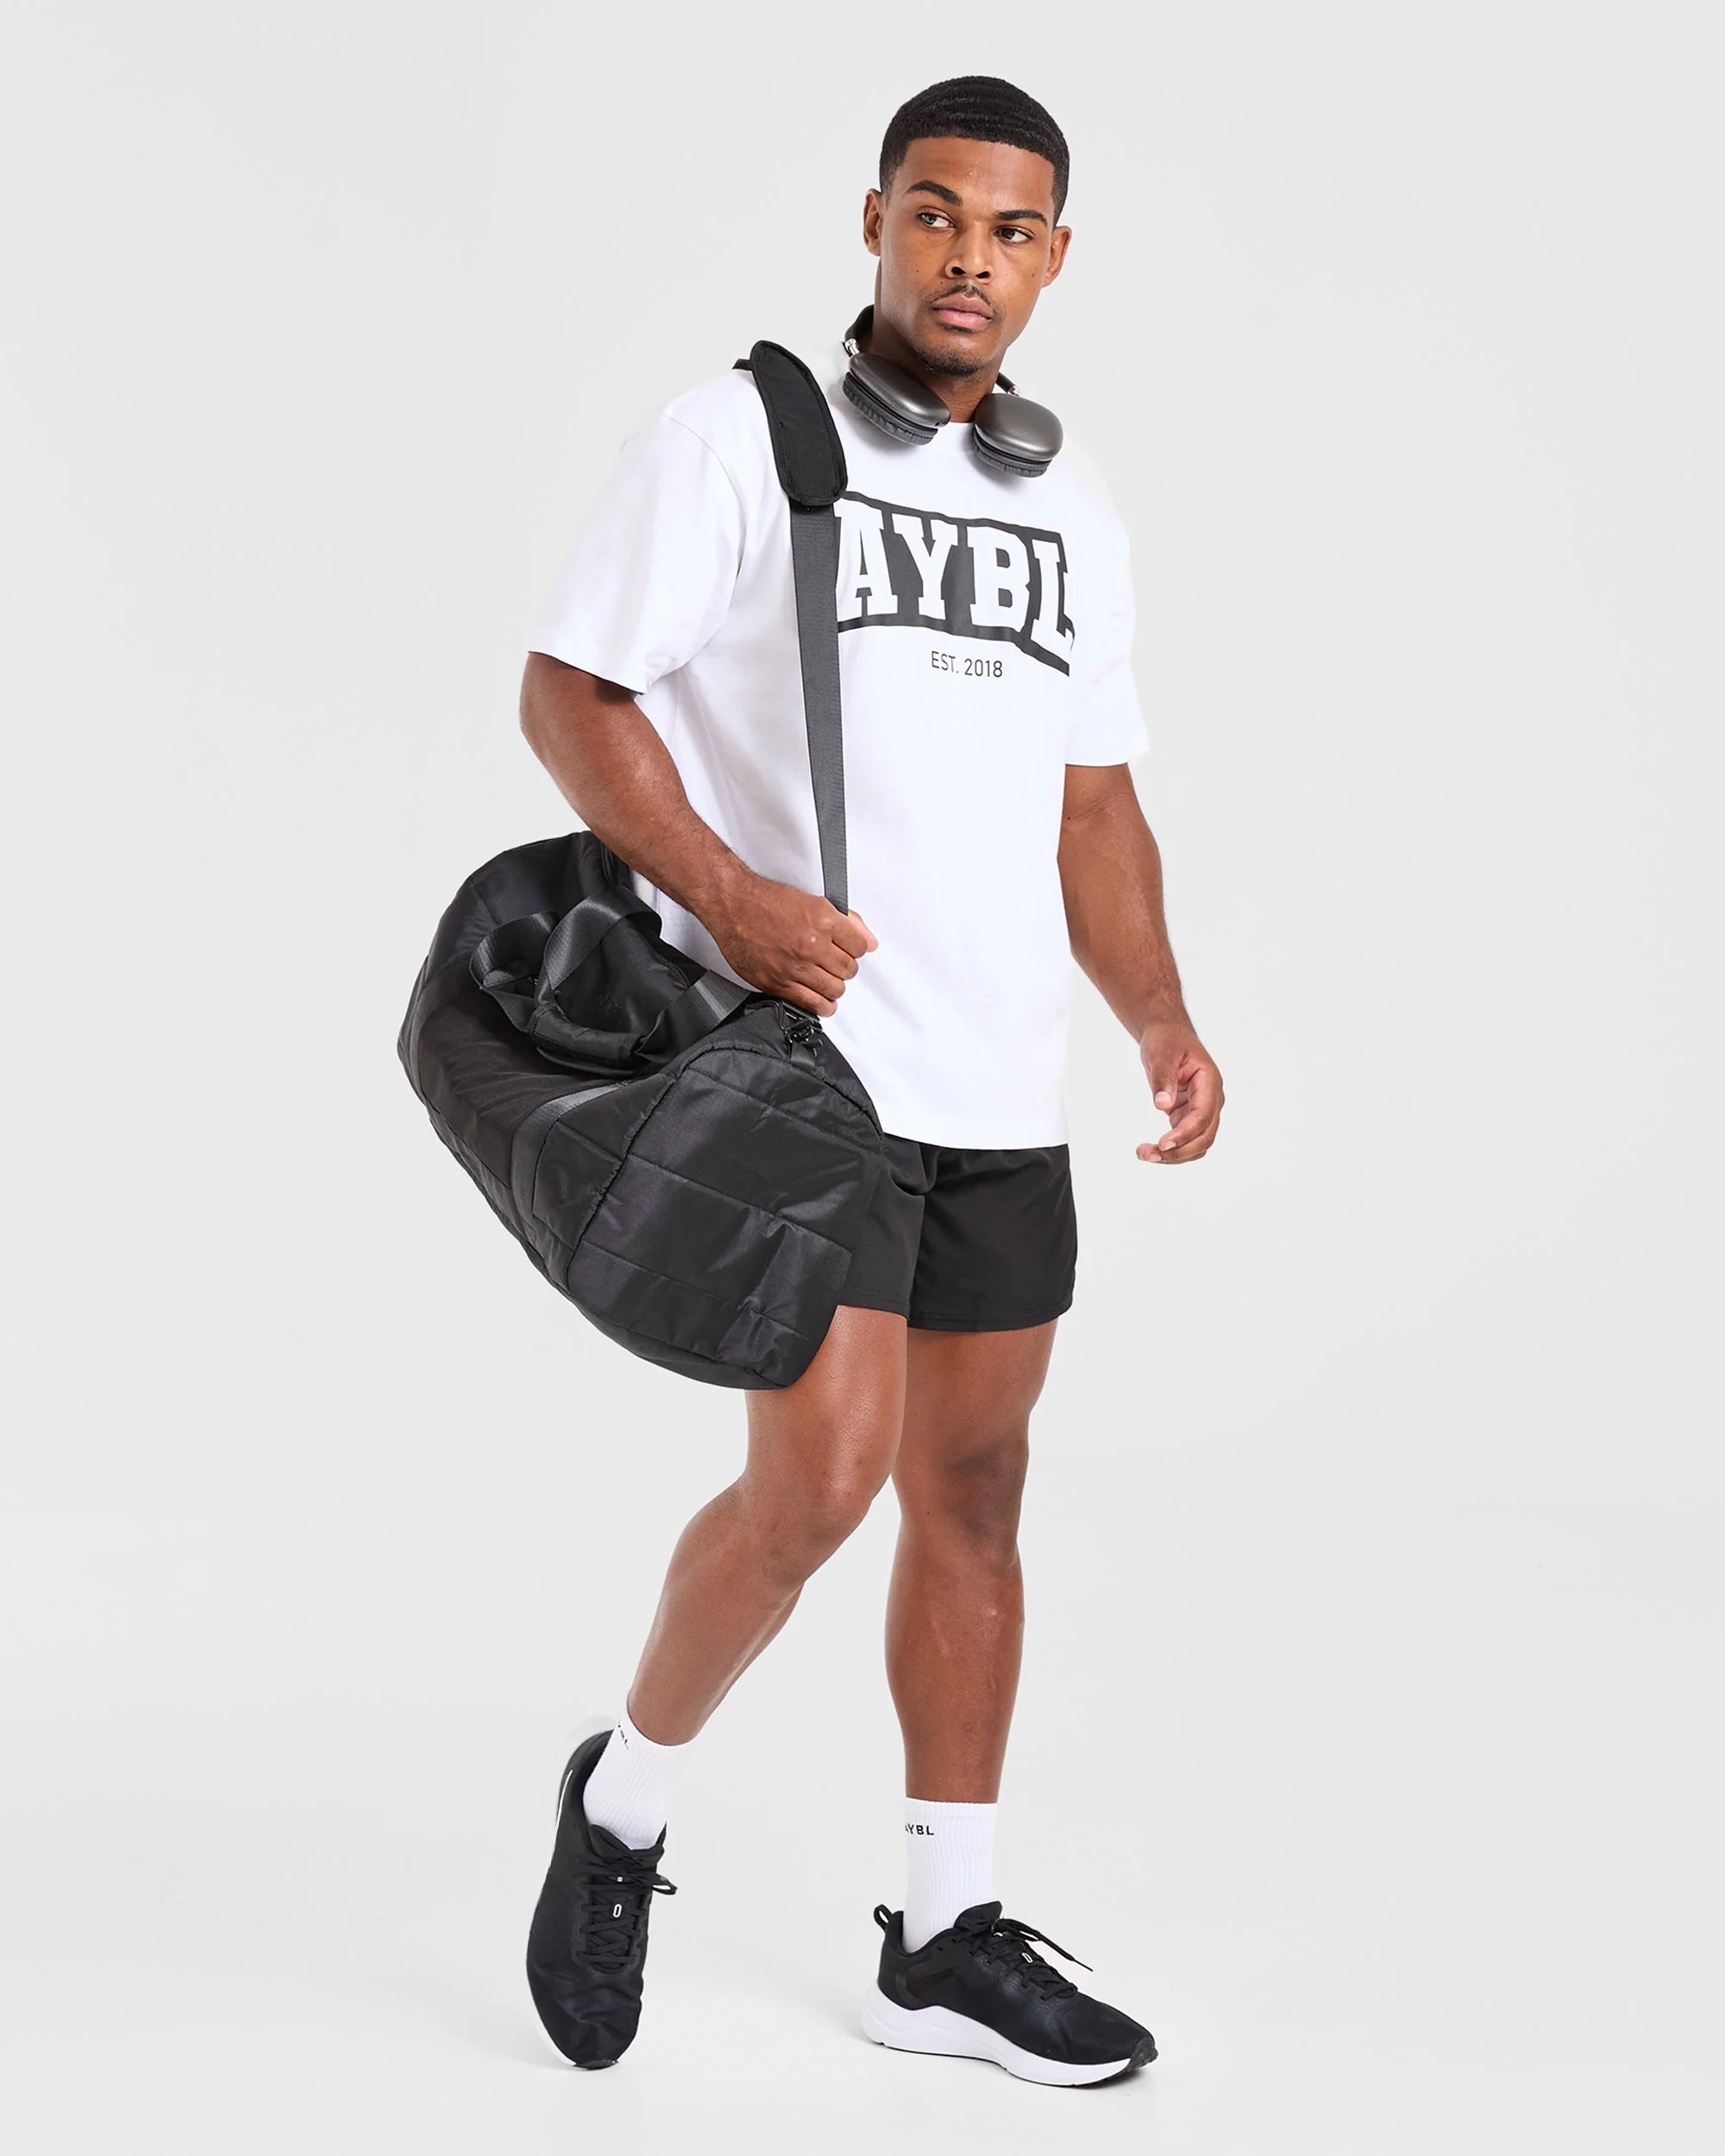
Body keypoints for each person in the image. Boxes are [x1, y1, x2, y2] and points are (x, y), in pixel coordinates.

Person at [517, 74, 1223, 2087]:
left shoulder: (1071, 506)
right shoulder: (739, 438)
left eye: (1008, 230)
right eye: (934, 214)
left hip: (1001, 1084)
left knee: (975, 1493)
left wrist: (1158, 1013)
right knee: (817, 1487)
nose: (966, 259)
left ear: (1055, 257)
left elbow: (1093, 805)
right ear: (875, 220)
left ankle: (940, 1928)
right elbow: (570, 689)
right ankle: (622, 1799)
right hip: (809, 1079)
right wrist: (733, 897)